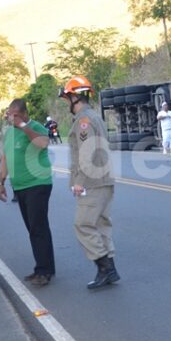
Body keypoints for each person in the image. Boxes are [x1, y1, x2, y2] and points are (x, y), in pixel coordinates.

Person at [60, 75, 119, 289]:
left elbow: (86, 153)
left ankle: (105, 268)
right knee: (101, 224)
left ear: (75, 97)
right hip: (104, 179)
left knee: (83, 224)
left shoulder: (83, 121)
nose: (66, 102)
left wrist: (79, 181)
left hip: (92, 182)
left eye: (67, 98)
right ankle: (110, 270)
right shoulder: (94, 116)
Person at [0, 99, 55, 286]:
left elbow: (43, 143)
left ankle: (43, 271)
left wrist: (23, 126)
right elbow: (5, 159)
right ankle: (45, 267)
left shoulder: (36, 127)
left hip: (38, 183)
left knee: (37, 228)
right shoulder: (8, 133)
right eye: (9, 115)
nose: (11, 118)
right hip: (20, 187)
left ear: (24, 114)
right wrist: (1, 182)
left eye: (15, 115)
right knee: (33, 228)